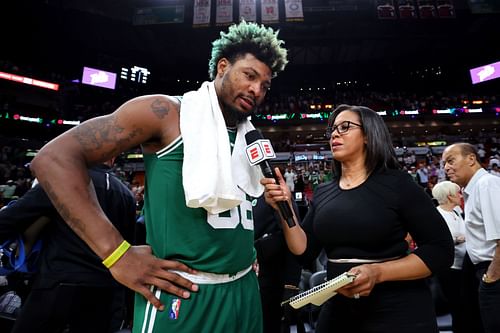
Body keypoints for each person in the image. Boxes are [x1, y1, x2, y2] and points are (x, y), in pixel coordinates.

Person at [29, 20, 288, 333]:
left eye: (265, 85)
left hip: (244, 288)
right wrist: (117, 255)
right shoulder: (166, 113)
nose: (257, 90)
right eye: (249, 75)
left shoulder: (252, 139)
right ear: (222, 66)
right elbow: (54, 158)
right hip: (186, 290)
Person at [261, 104, 454, 333]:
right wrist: (284, 208)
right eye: (332, 129)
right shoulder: (324, 191)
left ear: (368, 135)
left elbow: (440, 250)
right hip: (339, 311)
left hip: (398, 312)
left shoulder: (398, 184)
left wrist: (378, 273)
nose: (334, 133)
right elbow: (304, 251)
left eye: (345, 127)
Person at [0, 158, 136, 333]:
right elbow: (131, 250)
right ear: (112, 158)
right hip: (104, 291)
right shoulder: (126, 194)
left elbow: (9, 220)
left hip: (58, 284)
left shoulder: (62, 180)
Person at [442, 142, 500, 333]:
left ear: (471, 159)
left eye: (451, 161)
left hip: (493, 269)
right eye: (443, 164)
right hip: (480, 268)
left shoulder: (487, 184)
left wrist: (492, 276)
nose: (446, 167)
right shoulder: (472, 189)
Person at [253, 195, 304, 333]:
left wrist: (291, 285)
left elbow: (293, 240)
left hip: (272, 282)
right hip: (243, 284)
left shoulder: (272, 191)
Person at [431, 180, 467, 333]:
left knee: (464, 305)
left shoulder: (457, 211)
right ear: (450, 196)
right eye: (458, 193)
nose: (461, 195)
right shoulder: (438, 214)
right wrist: (458, 239)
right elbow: (438, 240)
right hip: (449, 268)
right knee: (457, 305)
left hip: (462, 264)